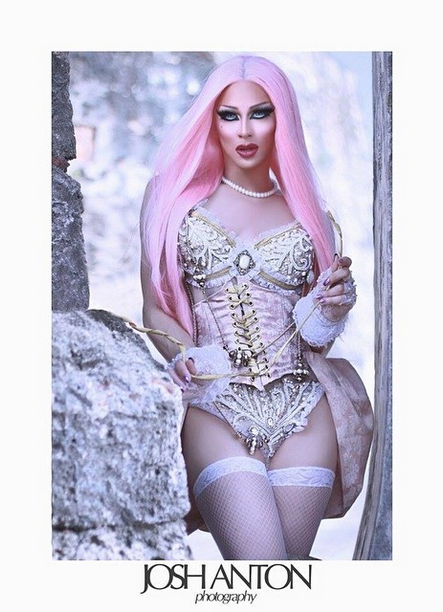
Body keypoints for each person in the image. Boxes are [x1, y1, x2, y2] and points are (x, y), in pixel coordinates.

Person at [140, 54, 373, 560]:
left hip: (305, 408)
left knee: (283, 574)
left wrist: (330, 311)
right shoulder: (172, 200)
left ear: (280, 118)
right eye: (229, 115)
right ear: (212, 121)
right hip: (214, 405)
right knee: (261, 564)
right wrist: (184, 355)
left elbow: (313, 337)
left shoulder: (313, 215)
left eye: (259, 113)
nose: (244, 130)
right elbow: (155, 307)